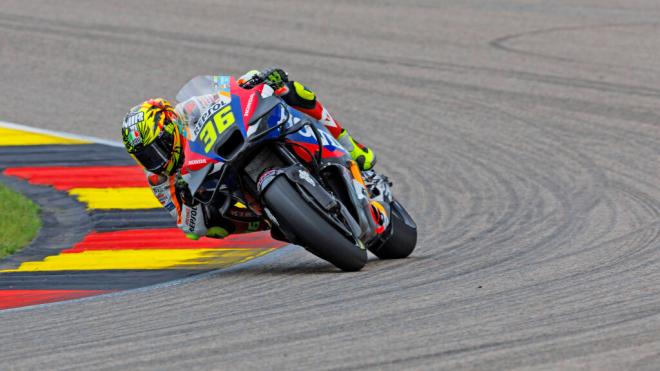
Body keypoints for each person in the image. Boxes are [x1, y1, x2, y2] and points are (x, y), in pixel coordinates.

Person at [121, 68, 377, 239]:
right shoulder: (158, 178)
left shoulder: (190, 108)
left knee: (287, 87)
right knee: (214, 227)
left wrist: (253, 79)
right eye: (145, 156)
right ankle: (273, 219)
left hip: (242, 139)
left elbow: (228, 90)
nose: (155, 160)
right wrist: (189, 202)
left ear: (170, 128)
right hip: (224, 182)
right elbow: (189, 229)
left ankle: (351, 146)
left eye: (157, 149)